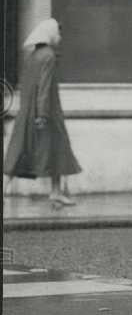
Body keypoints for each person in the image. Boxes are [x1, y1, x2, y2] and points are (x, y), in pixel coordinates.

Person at [4, 18, 81, 205]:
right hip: (47, 111)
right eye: (58, 33)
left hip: (29, 110)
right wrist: (43, 115)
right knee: (57, 148)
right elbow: (44, 88)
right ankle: (55, 192)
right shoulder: (49, 56)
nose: (60, 37)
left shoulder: (33, 56)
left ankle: (53, 191)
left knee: (23, 149)